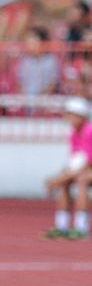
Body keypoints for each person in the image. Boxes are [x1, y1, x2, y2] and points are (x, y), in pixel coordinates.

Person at [45, 97, 92, 239]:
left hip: (88, 168)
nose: (68, 117)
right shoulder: (73, 134)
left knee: (82, 180)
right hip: (85, 168)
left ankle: (81, 228)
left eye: (71, 114)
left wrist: (61, 178)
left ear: (81, 115)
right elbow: (74, 161)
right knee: (65, 182)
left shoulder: (89, 131)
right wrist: (60, 177)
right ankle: (62, 226)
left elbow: (88, 162)